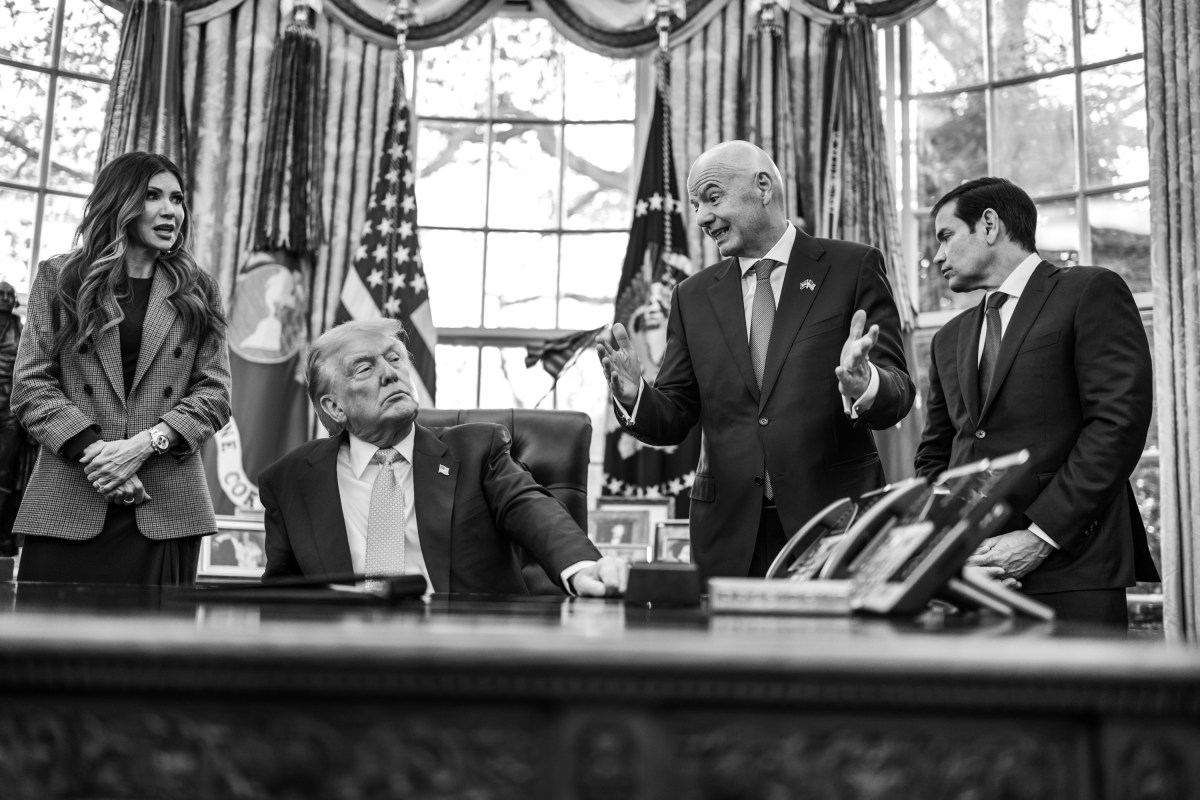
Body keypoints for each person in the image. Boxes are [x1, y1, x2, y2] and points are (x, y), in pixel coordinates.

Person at [596, 140, 915, 579]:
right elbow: (673, 415)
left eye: (712, 198)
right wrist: (635, 396)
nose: (702, 217)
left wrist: (866, 384)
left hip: (835, 525)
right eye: (696, 205)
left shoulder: (851, 266)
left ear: (763, 187)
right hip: (729, 535)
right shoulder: (691, 297)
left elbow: (898, 390)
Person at [916, 177, 1158, 626]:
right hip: (973, 578)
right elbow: (936, 454)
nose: (938, 256)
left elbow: (1117, 425)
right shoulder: (948, 339)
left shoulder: (1089, 291)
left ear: (989, 225)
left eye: (946, 236)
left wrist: (1039, 538)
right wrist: (954, 547)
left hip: (1073, 567)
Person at [259, 319, 627, 597]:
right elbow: (282, 597)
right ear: (334, 406)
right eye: (365, 368)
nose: (391, 374)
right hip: (347, 666)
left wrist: (582, 568)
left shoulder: (477, 450)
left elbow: (532, 509)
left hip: (461, 659)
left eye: (395, 359)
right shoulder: (290, 481)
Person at [12, 151, 232, 585]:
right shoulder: (61, 278)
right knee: (49, 650)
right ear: (121, 202)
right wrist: (99, 458)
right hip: (69, 497)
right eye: (153, 196)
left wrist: (143, 446)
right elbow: (31, 383)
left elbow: (216, 393)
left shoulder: (199, 288)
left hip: (164, 503)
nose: (171, 210)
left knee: (153, 650)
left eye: (178, 198)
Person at [0, 282, 27, 557]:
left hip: (9, 410)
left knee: (5, 470)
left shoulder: (21, 328)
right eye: (2, 294)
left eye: (10, 294)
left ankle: (2, 535)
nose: (7, 298)